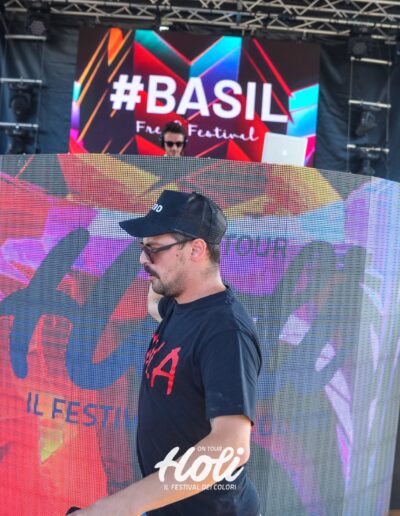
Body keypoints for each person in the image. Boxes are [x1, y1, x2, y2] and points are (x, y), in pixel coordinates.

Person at [72, 190, 262, 516]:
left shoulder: (225, 332)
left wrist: (115, 509)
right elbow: (154, 304)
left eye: (154, 248)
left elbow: (231, 446)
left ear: (196, 249)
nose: (143, 259)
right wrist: (159, 264)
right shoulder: (181, 304)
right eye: (142, 247)